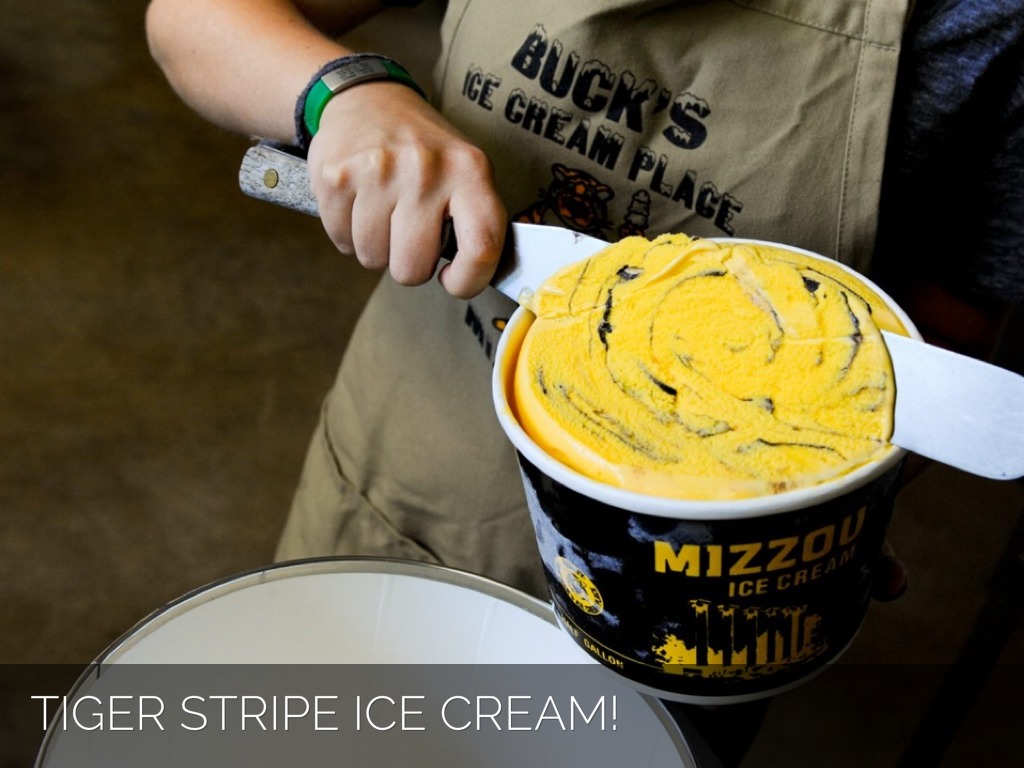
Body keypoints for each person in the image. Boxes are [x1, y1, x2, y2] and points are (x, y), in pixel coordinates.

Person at [145, 0, 1021, 764]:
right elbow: (193, 18)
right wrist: (343, 93)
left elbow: (946, 330)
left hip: (686, 620)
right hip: (401, 495)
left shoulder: (987, 19)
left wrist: (839, 498)